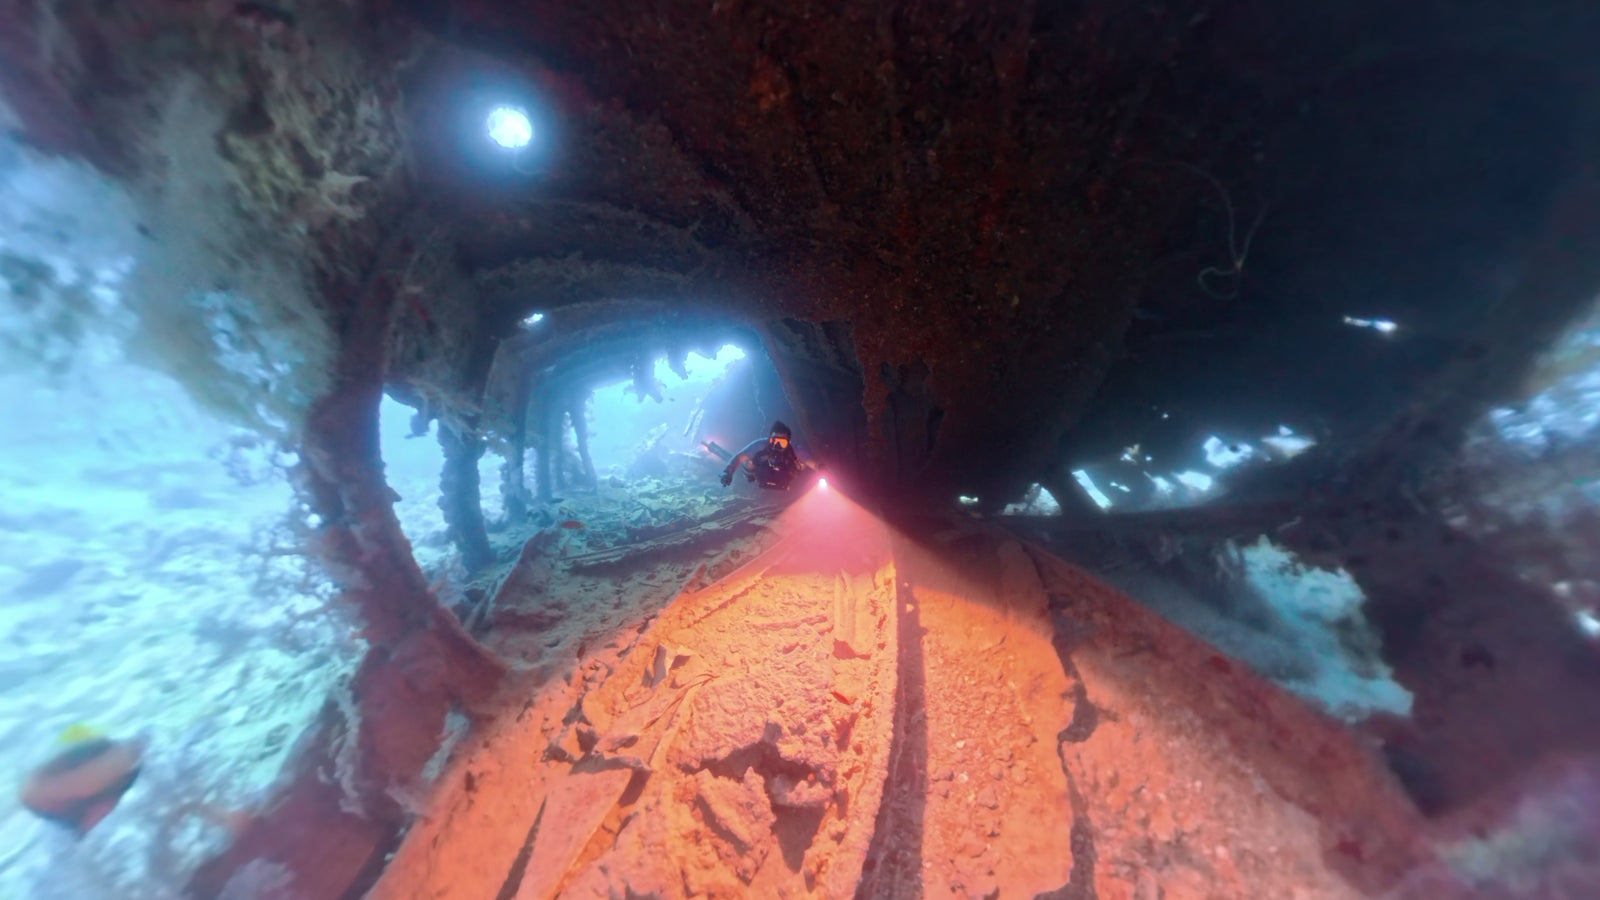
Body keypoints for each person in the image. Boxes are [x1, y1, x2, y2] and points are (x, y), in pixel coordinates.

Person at [720, 421, 804, 490]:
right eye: (774, 441)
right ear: (769, 439)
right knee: (748, 462)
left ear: (788, 442)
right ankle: (751, 477)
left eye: (782, 442)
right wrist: (727, 473)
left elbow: (809, 461)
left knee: (801, 464)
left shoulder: (795, 450)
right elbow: (739, 458)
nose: (777, 445)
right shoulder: (759, 446)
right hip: (760, 472)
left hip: (784, 475)